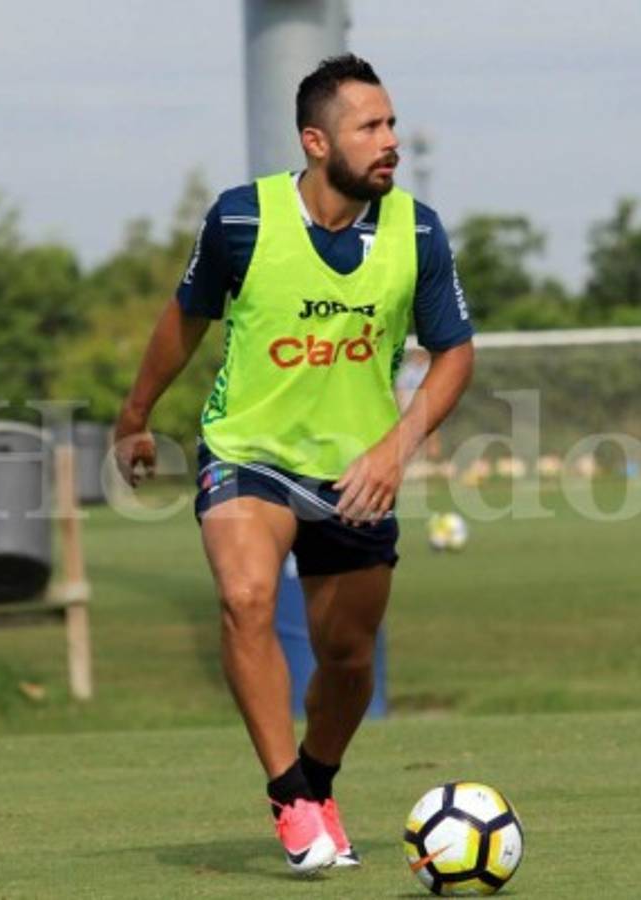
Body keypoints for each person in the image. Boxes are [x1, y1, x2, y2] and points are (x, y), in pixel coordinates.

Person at [113, 54, 474, 873]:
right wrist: (134, 416)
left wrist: (394, 448)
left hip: (356, 473)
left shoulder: (418, 231)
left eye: (391, 125)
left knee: (345, 657)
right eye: (370, 128)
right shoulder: (240, 220)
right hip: (249, 454)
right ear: (316, 141)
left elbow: (454, 354)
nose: (391, 142)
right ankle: (289, 799)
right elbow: (185, 319)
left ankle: (318, 777)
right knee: (245, 597)